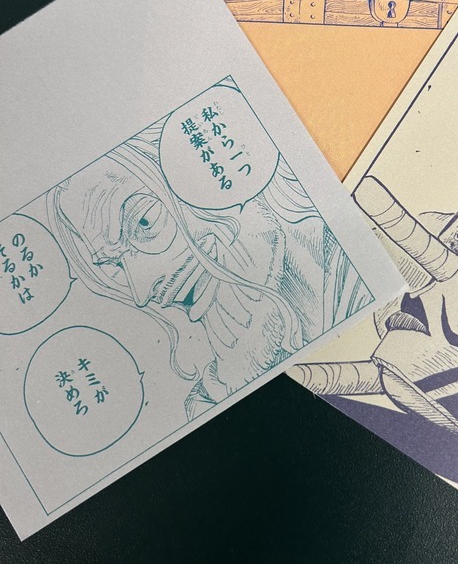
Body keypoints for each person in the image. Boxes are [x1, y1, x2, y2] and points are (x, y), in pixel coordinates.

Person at [47, 120, 371, 418]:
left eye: (144, 221)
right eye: (114, 264)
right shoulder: (206, 402)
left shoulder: (346, 270)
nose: (143, 292)